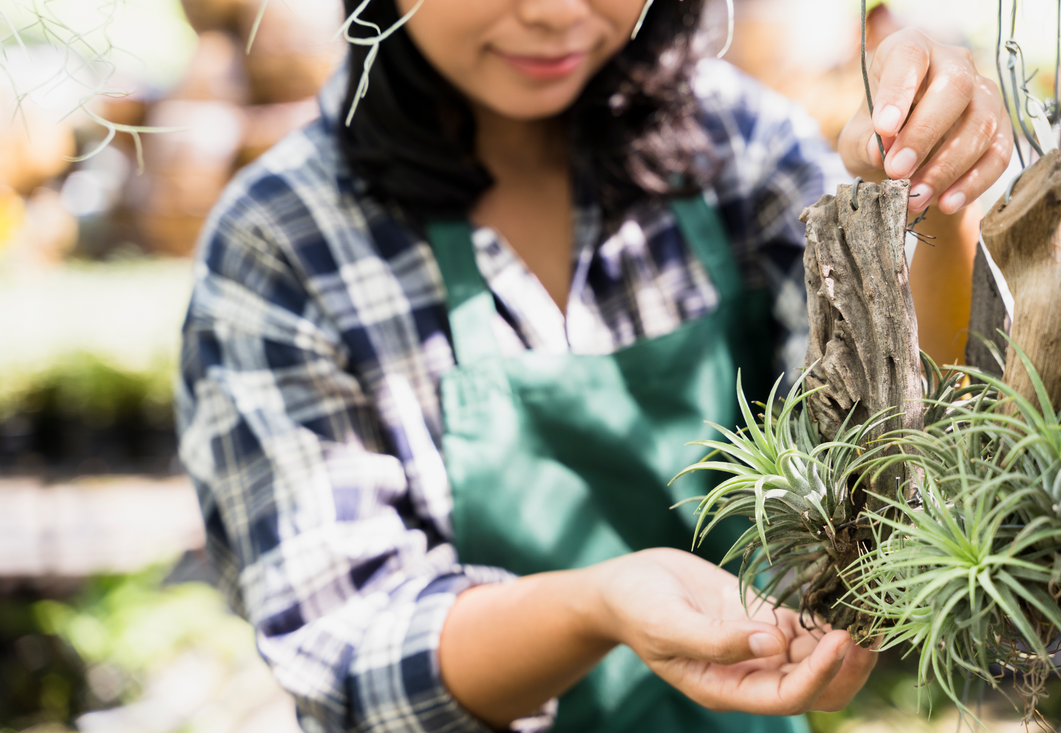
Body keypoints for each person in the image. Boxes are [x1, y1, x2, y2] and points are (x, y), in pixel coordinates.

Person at [175, 1, 1012, 731]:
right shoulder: (285, 239)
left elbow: (901, 465)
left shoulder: (735, 147)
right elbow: (349, 653)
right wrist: (593, 606)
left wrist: (937, 194)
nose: (553, 10)